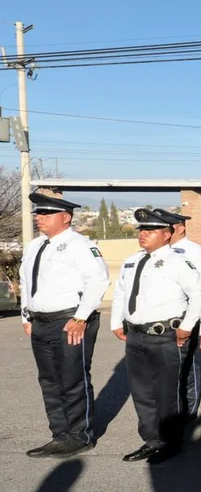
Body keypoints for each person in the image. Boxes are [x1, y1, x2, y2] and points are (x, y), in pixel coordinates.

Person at [110, 208, 201, 464]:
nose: (143, 235)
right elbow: (120, 293)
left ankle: (171, 441)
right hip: (136, 336)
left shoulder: (178, 261)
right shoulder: (132, 261)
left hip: (166, 335)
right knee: (142, 392)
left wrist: (186, 326)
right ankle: (152, 440)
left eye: (150, 230)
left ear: (167, 234)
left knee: (166, 393)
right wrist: (116, 321)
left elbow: (198, 295)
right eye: (142, 230)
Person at [21, 193, 111, 459]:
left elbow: (98, 280)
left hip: (70, 321)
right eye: (38, 214)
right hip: (41, 322)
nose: (39, 218)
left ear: (65, 217)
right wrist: (27, 317)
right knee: (49, 380)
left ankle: (79, 436)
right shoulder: (35, 245)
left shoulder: (79, 245)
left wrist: (81, 317)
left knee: (73, 378)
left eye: (46, 214)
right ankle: (60, 435)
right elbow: (27, 284)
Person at [157, 211, 201, 421]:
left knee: (187, 362)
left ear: (180, 228)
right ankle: (174, 405)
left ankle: (190, 408)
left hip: (187, 314)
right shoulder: (162, 251)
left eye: (168, 225)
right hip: (164, 316)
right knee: (169, 365)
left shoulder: (194, 252)